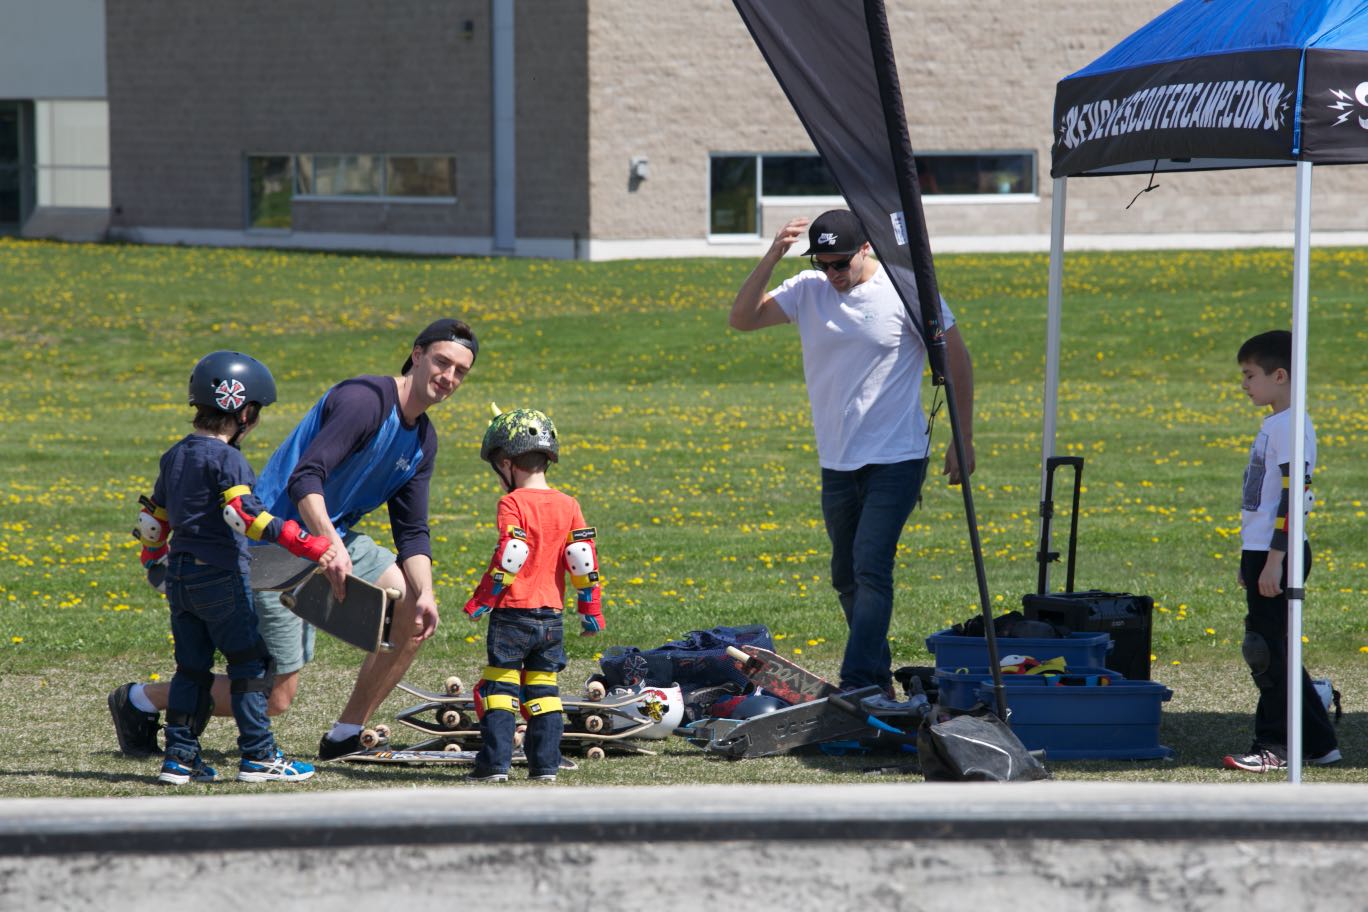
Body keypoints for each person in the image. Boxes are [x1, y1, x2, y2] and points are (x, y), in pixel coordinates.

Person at [110, 318, 477, 761]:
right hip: (273, 546)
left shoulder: (422, 439)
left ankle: (346, 734)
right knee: (275, 699)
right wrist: (328, 548)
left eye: (460, 371)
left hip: (331, 540)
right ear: (417, 355)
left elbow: (413, 531)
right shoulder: (365, 401)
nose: (449, 377)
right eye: (442, 361)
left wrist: (427, 593)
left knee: (412, 615)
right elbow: (307, 479)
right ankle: (141, 699)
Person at [729, 209, 975, 695]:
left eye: (840, 263)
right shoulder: (807, 289)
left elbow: (958, 360)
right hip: (837, 461)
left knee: (870, 564)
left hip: (897, 457)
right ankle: (877, 678)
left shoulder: (906, 289)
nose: (832, 275)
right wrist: (774, 254)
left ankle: (860, 679)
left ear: (866, 248)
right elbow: (742, 319)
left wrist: (962, 437)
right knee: (845, 575)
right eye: (822, 264)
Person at [133, 350, 338, 784]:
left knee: (191, 669)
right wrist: (309, 544)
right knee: (252, 664)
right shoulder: (229, 460)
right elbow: (245, 517)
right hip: (221, 576)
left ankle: (180, 759)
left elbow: (154, 522)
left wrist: (155, 565)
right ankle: (259, 755)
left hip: (182, 577)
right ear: (244, 412)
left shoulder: (175, 455)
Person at [462, 406, 604, 782]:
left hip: (512, 613)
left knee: (500, 688)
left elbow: (512, 553)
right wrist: (591, 612)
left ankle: (494, 765)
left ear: (507, 463)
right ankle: (545, 765)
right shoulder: (568, 504)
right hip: (551, 616)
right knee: (544, 691)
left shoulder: (512, 503)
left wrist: (481, 601)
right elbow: (582, 559)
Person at [1222, 330, 1340, 773]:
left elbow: (1294, 499)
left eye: (1250, 375)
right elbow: (1262, 500)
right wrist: (1249, 558)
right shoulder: (1276, 423)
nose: (1244, 384)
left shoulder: (1291, 427)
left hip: (1280, 554)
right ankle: (1320, 743)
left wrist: (1274, 560)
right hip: (1264, 552)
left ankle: (1276, 745)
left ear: (1280, 375)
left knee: (1266, 652)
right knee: (1274, 650)